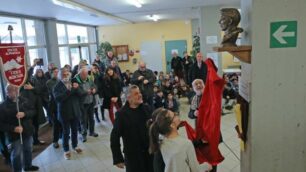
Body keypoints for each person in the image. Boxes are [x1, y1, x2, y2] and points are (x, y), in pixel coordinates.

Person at [110, 85, 153, 172]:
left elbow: (155, 126)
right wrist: (118, 158)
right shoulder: (121, 114)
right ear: (129, 98)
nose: (140, 95)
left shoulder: (147, 108)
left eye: (140, 92)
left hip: (149, 153)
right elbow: (114, 137)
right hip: (133, 156)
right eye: (136, 94)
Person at [0, 85, 39, 171]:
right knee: (16, 154)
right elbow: (1, 124)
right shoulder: (2, 107)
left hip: (27, 130)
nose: (17, 92)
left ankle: (28, 166)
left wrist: (25, 114)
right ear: (7, 93)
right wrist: (13, 128)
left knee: (28, 149)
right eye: (13, 90)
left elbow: (33, 111)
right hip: (14, 135)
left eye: (17, 89)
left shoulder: (24, 100)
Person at [148, 108, 200, 172]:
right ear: (172, 125)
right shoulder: (186, 144)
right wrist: (206, 166)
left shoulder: (161, 142)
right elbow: (195, 169)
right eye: (174, 115)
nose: (176, 114)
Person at [53, 68, 84, 160]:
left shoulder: (73, 83)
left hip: (75, 111)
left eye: (67, 74)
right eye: (63, 75)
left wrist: (77, 88)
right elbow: (58, 99)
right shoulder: (57, 86)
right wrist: (69, 90)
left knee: (75, 130)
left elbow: (82, 94)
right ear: (60, 76)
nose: (66, 76)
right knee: (66, 132)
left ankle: (75, 146)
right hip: (64, 113)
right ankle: (66, 150)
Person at [73, 67, 98, 142]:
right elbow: (78, 92)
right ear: (80, 74)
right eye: (84, 74)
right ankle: (84, 135)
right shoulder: (76, 81)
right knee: (83, 120)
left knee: (91, 118)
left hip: (90, 102)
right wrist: (86, 92)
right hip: (82, 104)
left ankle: (92, 132)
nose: (86, 76)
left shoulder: (89, 79)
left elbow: (94, 86)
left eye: (87, 74)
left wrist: (94, 90)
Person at [46, 67, 62, 148]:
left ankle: (62, 135)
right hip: (54, 106)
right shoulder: (49, 82)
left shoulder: (59, 80)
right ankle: (55, 141)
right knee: (56, 123)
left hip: (61, 104)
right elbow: (54, 91)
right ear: (51, 73)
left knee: (62, 122)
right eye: (55, 72)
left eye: (57, 72)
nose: (56, 73)